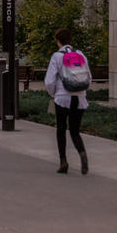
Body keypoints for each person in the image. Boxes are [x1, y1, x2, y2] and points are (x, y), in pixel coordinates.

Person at [43, 28, 90, 174]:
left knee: (61, 129)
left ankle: (63, 161)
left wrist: (53, 94)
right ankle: (82, 153)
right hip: (80, 97)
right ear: (70, 40)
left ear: (58, 41)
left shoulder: (57, 56)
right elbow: (88, 77)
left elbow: (50, 81)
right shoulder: (80, 54)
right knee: (75, 130)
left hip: (62, 97)